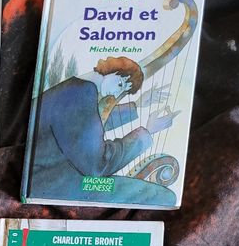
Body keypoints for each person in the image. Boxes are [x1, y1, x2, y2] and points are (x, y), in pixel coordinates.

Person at [29, 56, 177, 197]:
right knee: (161, 195)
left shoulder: (76, 87)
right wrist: (147, 132)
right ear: (112, 71)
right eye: (120, 85)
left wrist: (137, 105)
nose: (116, 95)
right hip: (50, 181)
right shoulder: (82, 94)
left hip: (46, 174)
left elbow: (88, 124)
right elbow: (99, 165)